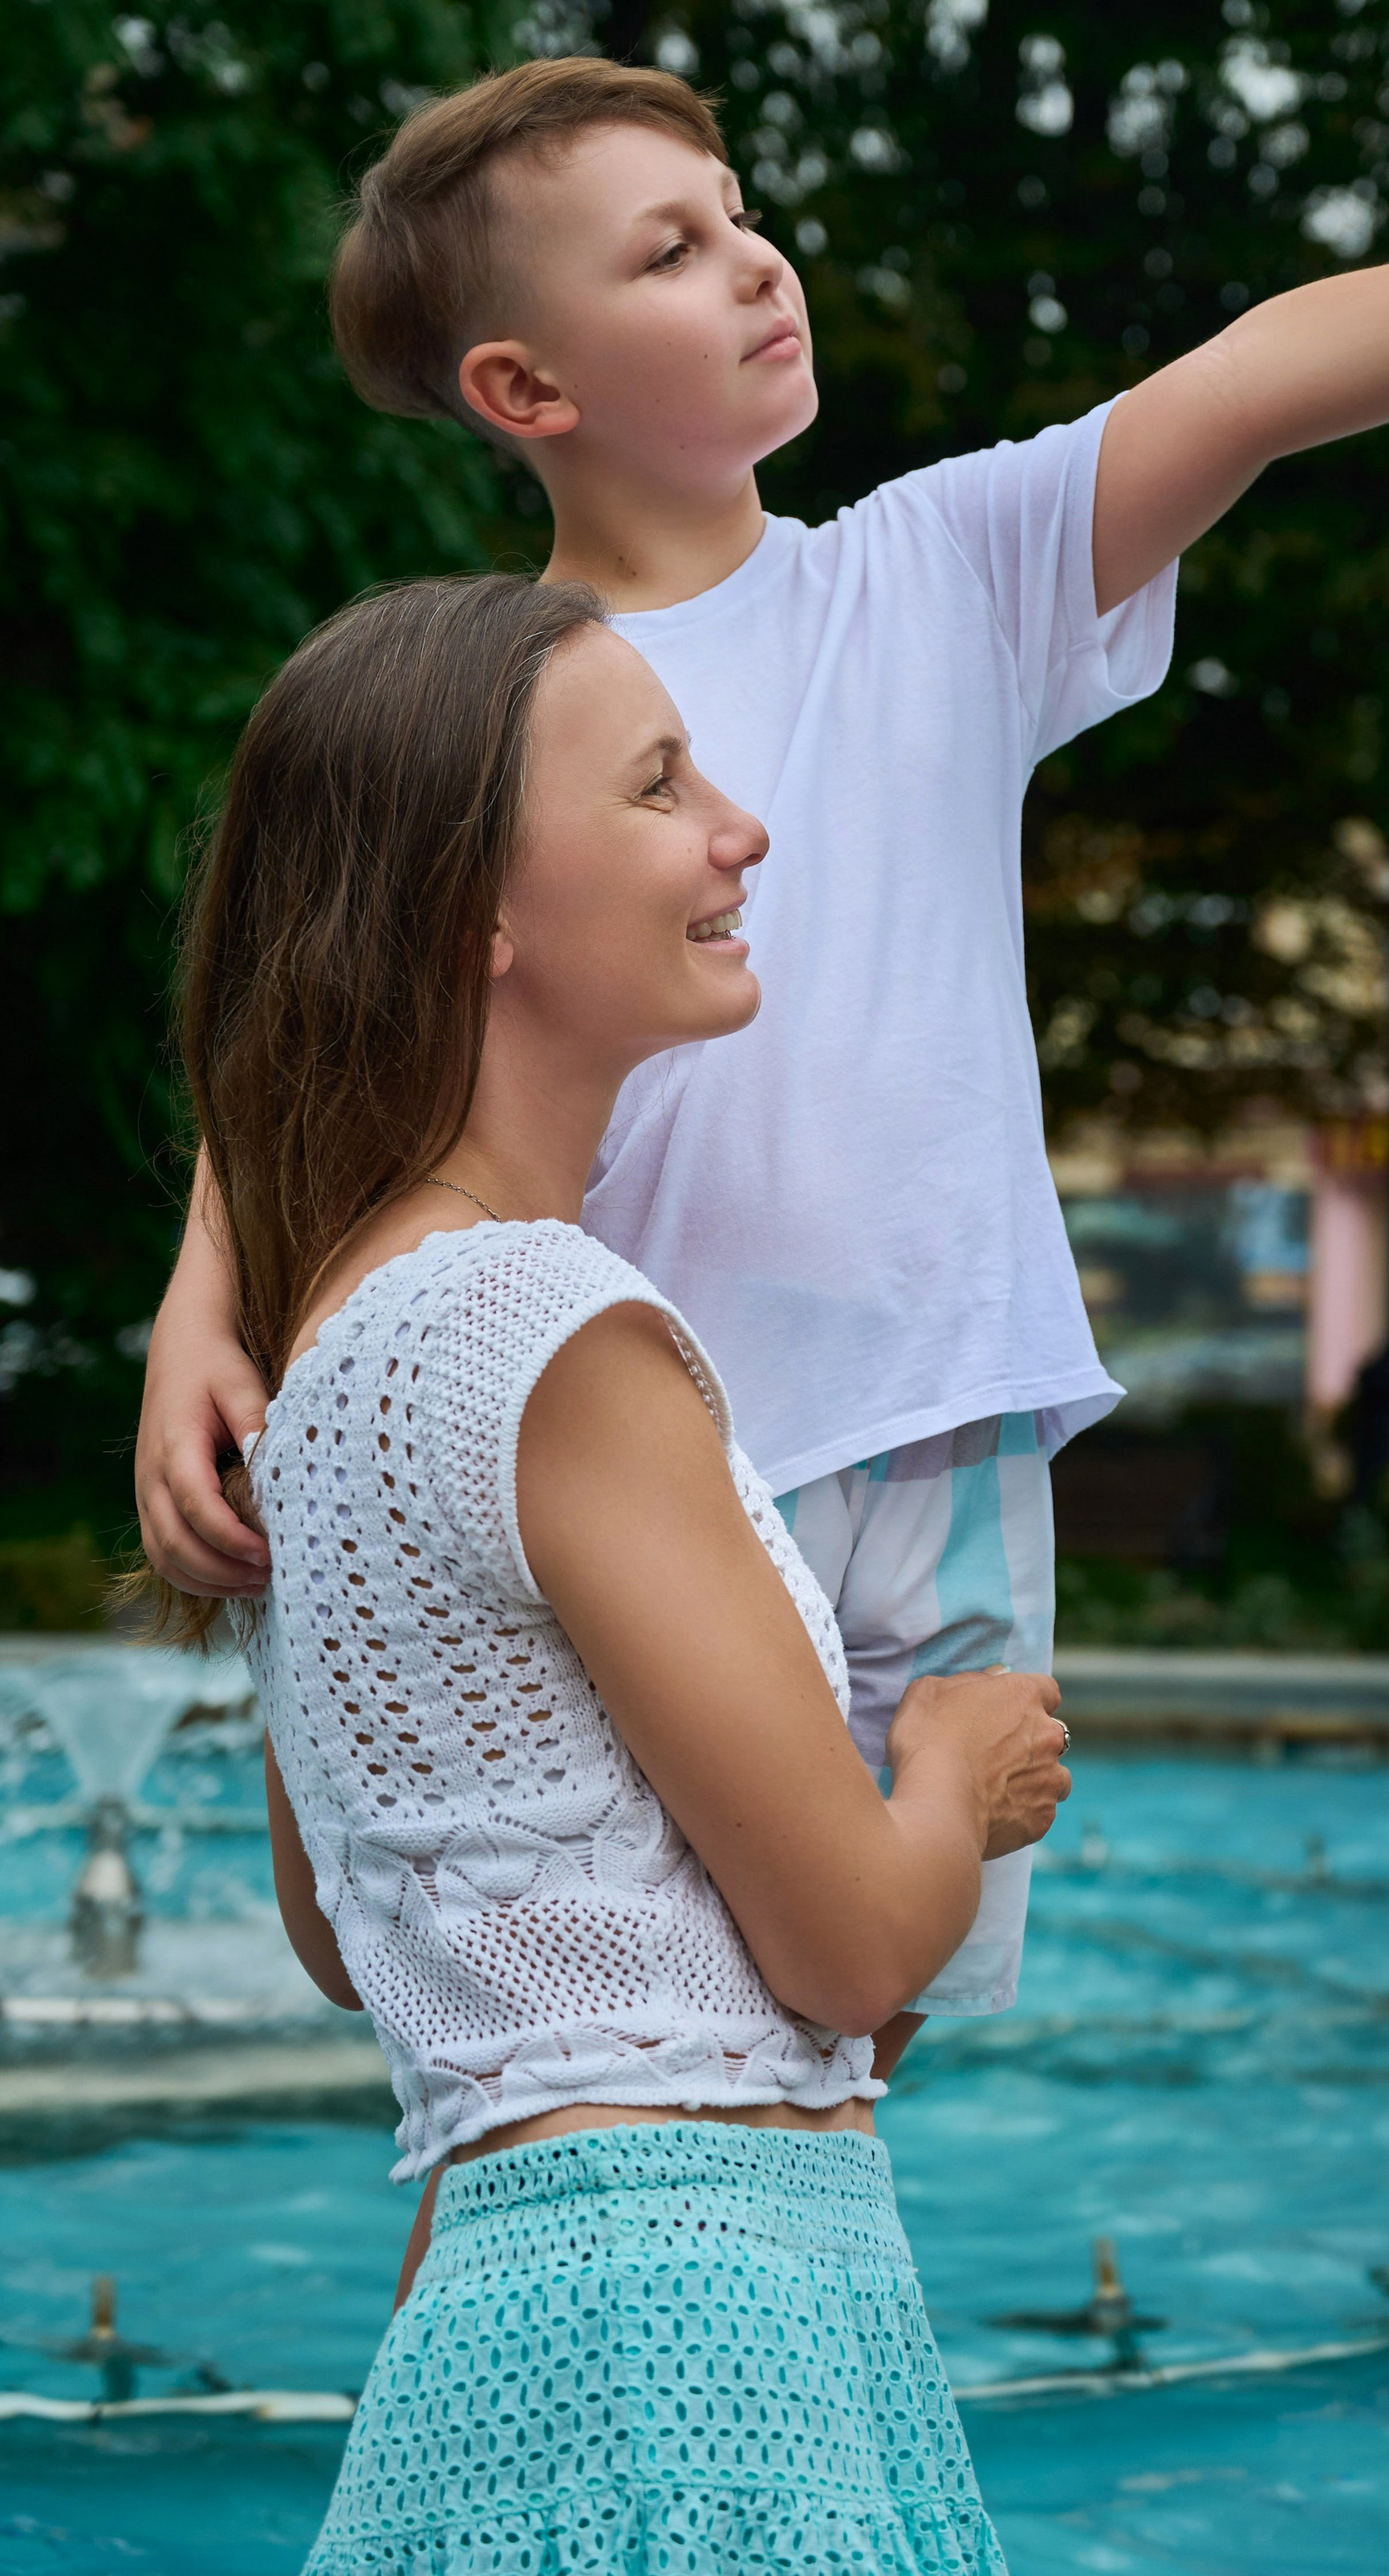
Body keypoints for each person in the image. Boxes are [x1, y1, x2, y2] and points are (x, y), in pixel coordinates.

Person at [137, 52, 1389, 2063]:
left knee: (837, 2049)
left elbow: (1266, 369)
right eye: (672, 249)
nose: (756, 262)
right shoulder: (485, 705)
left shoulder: (934, 576)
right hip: (626, 1458)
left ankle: (792, 2375)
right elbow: (325, 1011)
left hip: (937, 1423)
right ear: (526, 389)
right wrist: (208, 1303)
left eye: (739, 210)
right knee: (556, 2023)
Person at [177, 567, 1064, 2568]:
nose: (736, 829)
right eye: (659, 785)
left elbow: (360, 1943)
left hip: (507, 2306)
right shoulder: (556, 1335)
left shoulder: (332, 1362)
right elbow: (849, 1946)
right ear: (476, 917)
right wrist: (959, 1770)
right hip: (703, 2310)